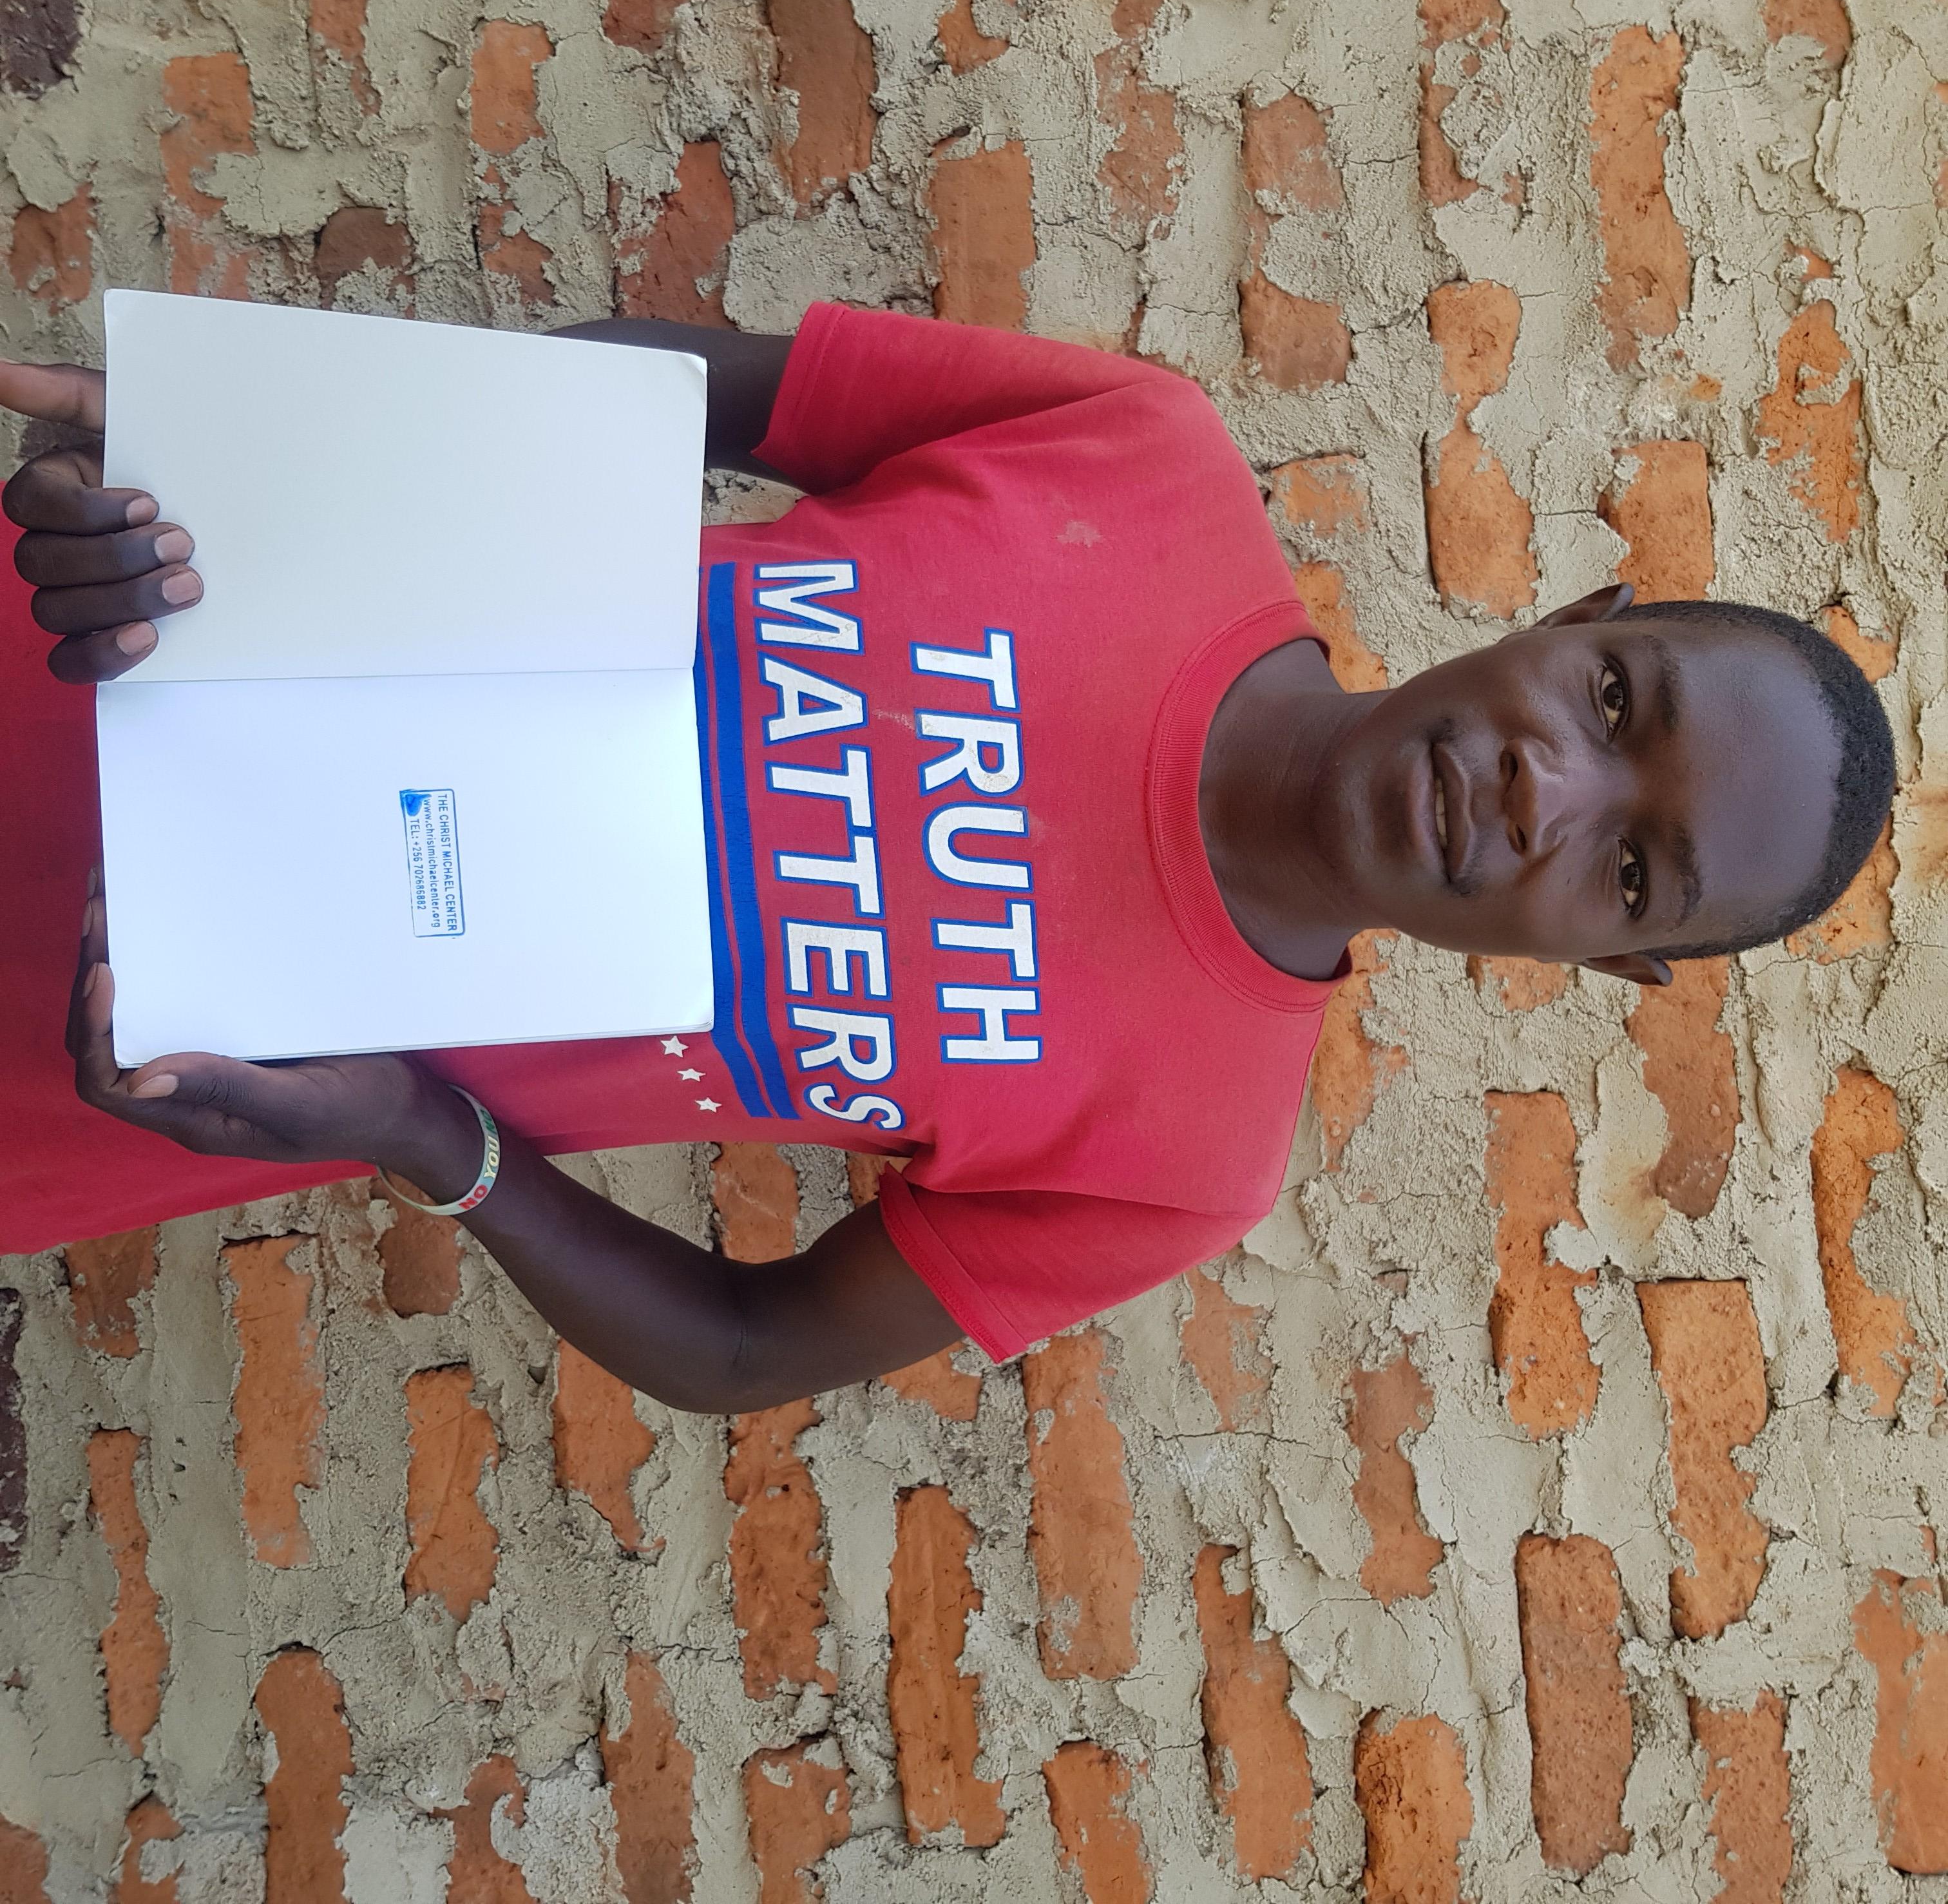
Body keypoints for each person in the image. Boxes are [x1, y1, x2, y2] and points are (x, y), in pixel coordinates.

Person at [0, 306, 1895, 1411]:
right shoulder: (1146, 457)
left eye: (1630, 873)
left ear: (1603, 968)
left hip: (129, 1032)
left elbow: (748, 1346)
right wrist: (256, 468)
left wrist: (423, 1137)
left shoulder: (1190, 1157)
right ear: (1573, 618)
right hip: (111, 643)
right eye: (1616, 701)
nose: (1551, 794)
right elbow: (680, 395)